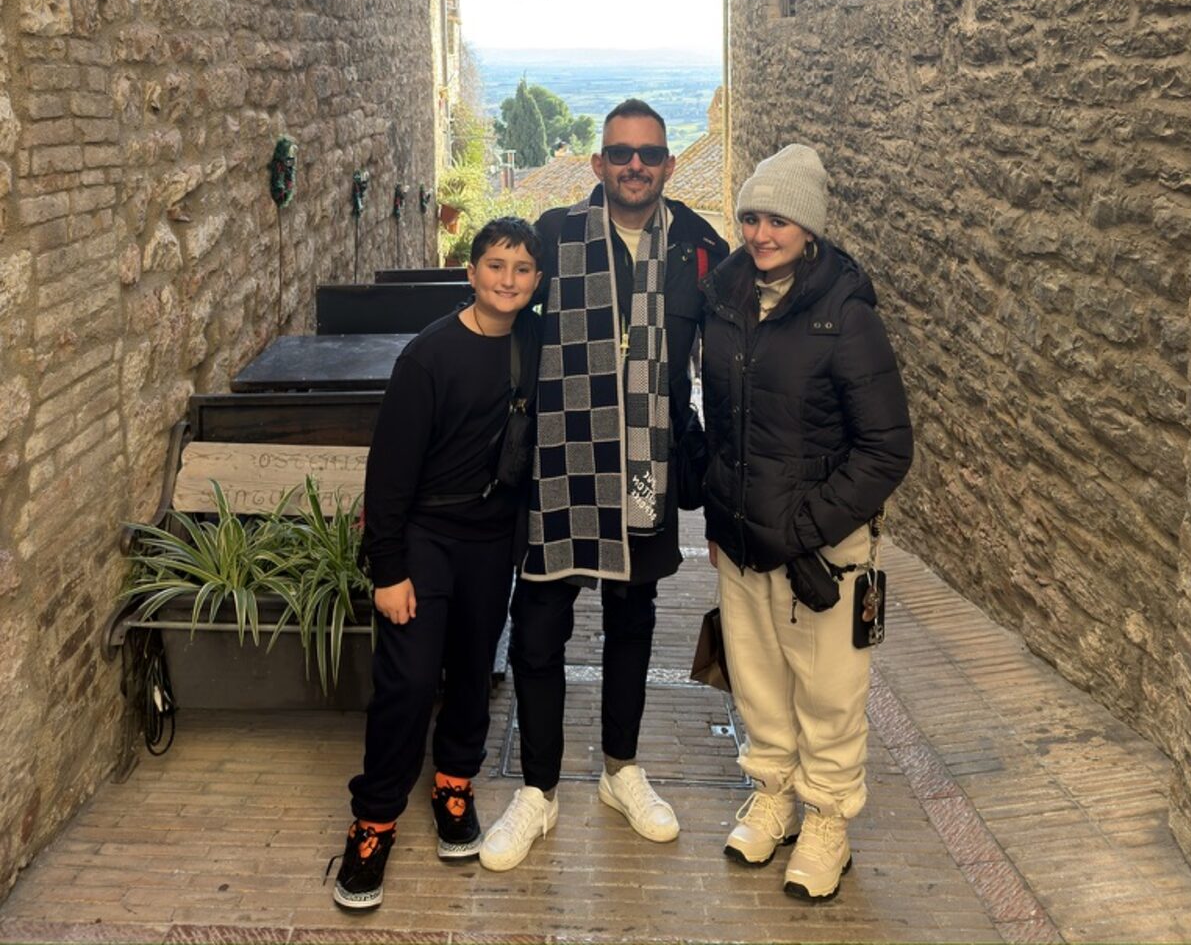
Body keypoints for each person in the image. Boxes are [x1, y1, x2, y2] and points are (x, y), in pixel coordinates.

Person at [479, 99, 728, 872]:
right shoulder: (554, 235)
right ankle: (539, 790)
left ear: (668, 164)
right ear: (597, 164)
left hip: (648, 467)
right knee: (541, 627)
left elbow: (731, 354)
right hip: (561, 468)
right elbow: (501, 306)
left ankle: (622, 769)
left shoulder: (698, 245)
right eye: (620, 153)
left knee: (632, 619)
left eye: (649, 154)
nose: (634, 167)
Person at [700, 144, 912, 902]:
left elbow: (887, 447)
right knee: (757, 682)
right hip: (744, 540)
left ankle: (827, 821)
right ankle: (773, 796)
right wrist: (717, 506)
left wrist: (806, 525)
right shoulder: (725, 296)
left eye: (778, 219)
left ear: (809, 226)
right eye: (752, 216)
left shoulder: (844, 314)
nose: (761, 233)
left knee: (828, 690)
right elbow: (721, 420)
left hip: (823, 549)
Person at [331, 217, 542, 911]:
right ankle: (375, 820)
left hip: (491, 541)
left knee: (476, 667)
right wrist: (387, 569)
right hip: (425, 536)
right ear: (470, 272)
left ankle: (455, 782)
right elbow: (387, 475)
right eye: (495, 265)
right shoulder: (428, 357)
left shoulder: (534, 346)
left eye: (521, 269)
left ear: (537, 282)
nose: (507, 280)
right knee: (410, 680)